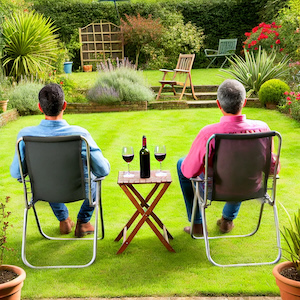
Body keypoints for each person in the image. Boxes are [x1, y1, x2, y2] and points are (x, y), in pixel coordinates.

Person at [177, 79, 279, 236]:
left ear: (218, 104)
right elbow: (273, 168)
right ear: (244, 102)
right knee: (240, 167)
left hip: (214, 191)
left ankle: (197, 224)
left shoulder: (208, 134)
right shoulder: (263, 129)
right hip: (253, 188)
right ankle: (227, 220)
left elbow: (189, 171)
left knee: (181, 164)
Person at [10, 83, 110, 238]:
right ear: (65, 105)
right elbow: (102, 170)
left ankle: (64, 220)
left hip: (44, 190)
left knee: (47, 177)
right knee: (96, 179)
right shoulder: (80, 135)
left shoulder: (25, 136)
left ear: (40, 107)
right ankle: (83, 222)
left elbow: (17, 173)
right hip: (79, 189)